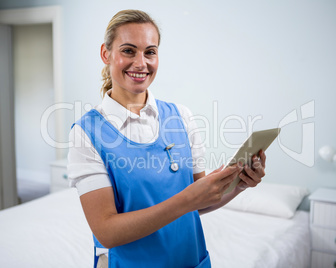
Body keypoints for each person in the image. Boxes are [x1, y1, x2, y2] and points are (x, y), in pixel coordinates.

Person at [68, 9, 266, 268]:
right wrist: (188, 199)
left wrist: (239, 184)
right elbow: (107, 231)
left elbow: (200, 202)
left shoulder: (181, 117)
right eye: (128, 50)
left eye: (150, 52)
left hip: (191, 261)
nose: (141, 63)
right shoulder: (86, 133)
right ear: (106, 54)